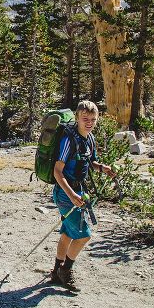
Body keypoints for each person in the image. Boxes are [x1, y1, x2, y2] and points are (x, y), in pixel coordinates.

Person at [49, 100, 116, 292]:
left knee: (67, 233)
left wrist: (102, 168)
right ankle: (66, 270)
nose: (89, 122)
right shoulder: (68, 140)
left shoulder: (89, 138)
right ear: (77, 118)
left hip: (79, 192)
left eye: (93, 119)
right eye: (85, 119)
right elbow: (57, 171)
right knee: (83, 235)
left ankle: (55, 271)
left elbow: (90, 161)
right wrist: (70, 195)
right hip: (65, 193)